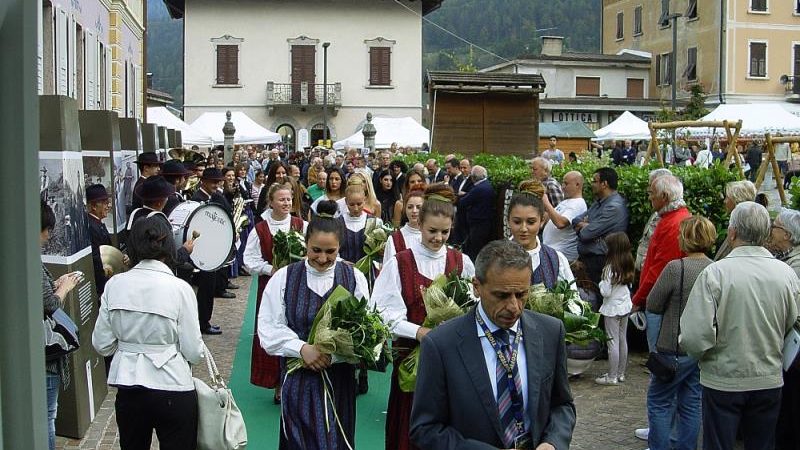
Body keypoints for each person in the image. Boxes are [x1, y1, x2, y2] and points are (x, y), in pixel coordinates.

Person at [409, 239, 576, 449]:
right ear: (476, 287)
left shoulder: (550, 331)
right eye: (502, 295)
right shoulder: (441, 344)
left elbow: (562, 405)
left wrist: (552, 443)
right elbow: (425, 429)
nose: (514, 306)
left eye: (521, 294)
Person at [680, 201, 800, 450]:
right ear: (765, 234)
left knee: (719, 444)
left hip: (723, 378)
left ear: (732, 233)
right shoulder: (786, 273)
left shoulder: (716, 274)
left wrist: (705, 358)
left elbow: (694, 334)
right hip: (768, 377)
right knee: (763, 444)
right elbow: (791, 322)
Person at [258, 200, 370, 449]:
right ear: (306, 244)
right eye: (316, 250)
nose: (322, 258)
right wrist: (301, 349)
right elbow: (267, 327)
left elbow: (365, 331)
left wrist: (335, 356)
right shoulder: (285, 277)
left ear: (339, 247)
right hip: (298, 378)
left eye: (331, 252)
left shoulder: (354, 278)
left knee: (336, 441)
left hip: (339, 380)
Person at [372, 184, 476, 450]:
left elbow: (474, 307)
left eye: (445, 231)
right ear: (420, 225)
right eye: (432, 231)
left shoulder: (461, 262)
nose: (438, 237)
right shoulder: (401, 262)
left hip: (452, 362)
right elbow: (380, 311)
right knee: (410, 427)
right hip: (411, 362)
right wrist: (419, 332)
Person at [92, 216, 204, 450]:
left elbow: (102, 343)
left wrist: (128, 345)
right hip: (173, 383)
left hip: (129, 385)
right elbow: (194, 351)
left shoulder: (115, 284)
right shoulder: (180, 288)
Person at [645, 216, 716, 450]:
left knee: (659, 402)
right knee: (691, 403)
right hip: (701, 350)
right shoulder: (716, 268)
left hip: (672, 348)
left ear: (685, 238)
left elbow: (653, 303)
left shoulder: (676, 268)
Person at [244, 182, 307, 401]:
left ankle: (295, 379)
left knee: (296, 329)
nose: (286, 203)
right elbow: (249, 260)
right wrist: (271, 269)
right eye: (281, 199)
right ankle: (277, 383)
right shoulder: (260, 228)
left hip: (297, 286)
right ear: (270, 202)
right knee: (273, 329)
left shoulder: (301, 225)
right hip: (269, 287)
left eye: (289, 199)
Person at [632, 175, 691, 351]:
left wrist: (638, 299)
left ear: (664, 196)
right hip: (662, 301)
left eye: (652, 193)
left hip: (662, 304)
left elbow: (661, 270)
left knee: (659, 357)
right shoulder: (672, 218)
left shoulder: (673, 223)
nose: (650, 197)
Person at [41, 199, 81, 450]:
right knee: (47, 416)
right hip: (44, 356)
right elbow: (48, 304)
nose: (47, 237)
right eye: (45, 231)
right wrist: (64, 288)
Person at [766, 209, 800, 450]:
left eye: (775, 226)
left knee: (791, 408)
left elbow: (790, 313)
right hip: (787, 348)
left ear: (787, 234)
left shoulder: (795, 266)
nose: (771, 231)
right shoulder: (785, 259)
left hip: (793, 352)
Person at [508, 180, 576, 290]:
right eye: (517, 222)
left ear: (542, 221)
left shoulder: (556, 259)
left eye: (531, 222)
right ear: (508, 221)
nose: (524, 229)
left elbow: (573, 300)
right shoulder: (495, 257)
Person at [572, 167, 630, 285]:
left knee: (596, 298)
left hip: (600, 262)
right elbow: (575, 220)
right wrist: (587, 225)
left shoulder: (614, 207)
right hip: (588, 261)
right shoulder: (599, 202)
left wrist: (585, 226)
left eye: (594, 181)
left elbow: (586, 234)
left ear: (604, 184)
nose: (591, 184)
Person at [191, 168, 231, 335]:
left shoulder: (215, 197)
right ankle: (202, 322)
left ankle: (205, 320)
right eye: (214, 182)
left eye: (219, 182)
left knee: (209, 287)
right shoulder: (197, 199)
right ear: (204, 182)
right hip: (202, 250)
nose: (217, 185)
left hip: (212, 248)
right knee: (205, 288)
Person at [595, 232, 634, 386]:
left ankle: (611, 376)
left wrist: (600, 284)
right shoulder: (628, 263)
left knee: (612, 342)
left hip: (612, 308)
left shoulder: (609, 268)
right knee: (622, 340)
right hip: (625, 306)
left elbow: (606, 292)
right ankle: (620, 373)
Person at [542, 171, 587, 262]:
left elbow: (560, 223)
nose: (562, 187)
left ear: (577, 185)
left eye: (566, 183)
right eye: (562, 183)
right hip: (551, 250)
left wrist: (546, 201)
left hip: (560, 254)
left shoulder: (578, 203)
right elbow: (550, 219)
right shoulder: (566, 201)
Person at [459, 165, 496, 261]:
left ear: (473, 177)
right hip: (484, 222)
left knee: (475, 249)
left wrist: (463, 196)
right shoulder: (486, 185)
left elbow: (463, 202)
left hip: (478, 223)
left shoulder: (478, 188)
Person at [714, 180, 757, 260]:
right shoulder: (736, 223)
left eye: (727, 197)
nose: (724, 201)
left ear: (736, 200)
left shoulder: (744, 228)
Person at [383, 189, 424, 264]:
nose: (414, 211)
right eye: (410, 207)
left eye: (418, 207)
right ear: (405, 209)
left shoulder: (431, 236)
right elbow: (388, 269)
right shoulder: (395, 239)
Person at [86, 184, 112, 296]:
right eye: (105, 203)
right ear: (94, 206)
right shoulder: (92, 227)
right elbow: (96, 257)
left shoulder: (97, 224)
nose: (108, 206)